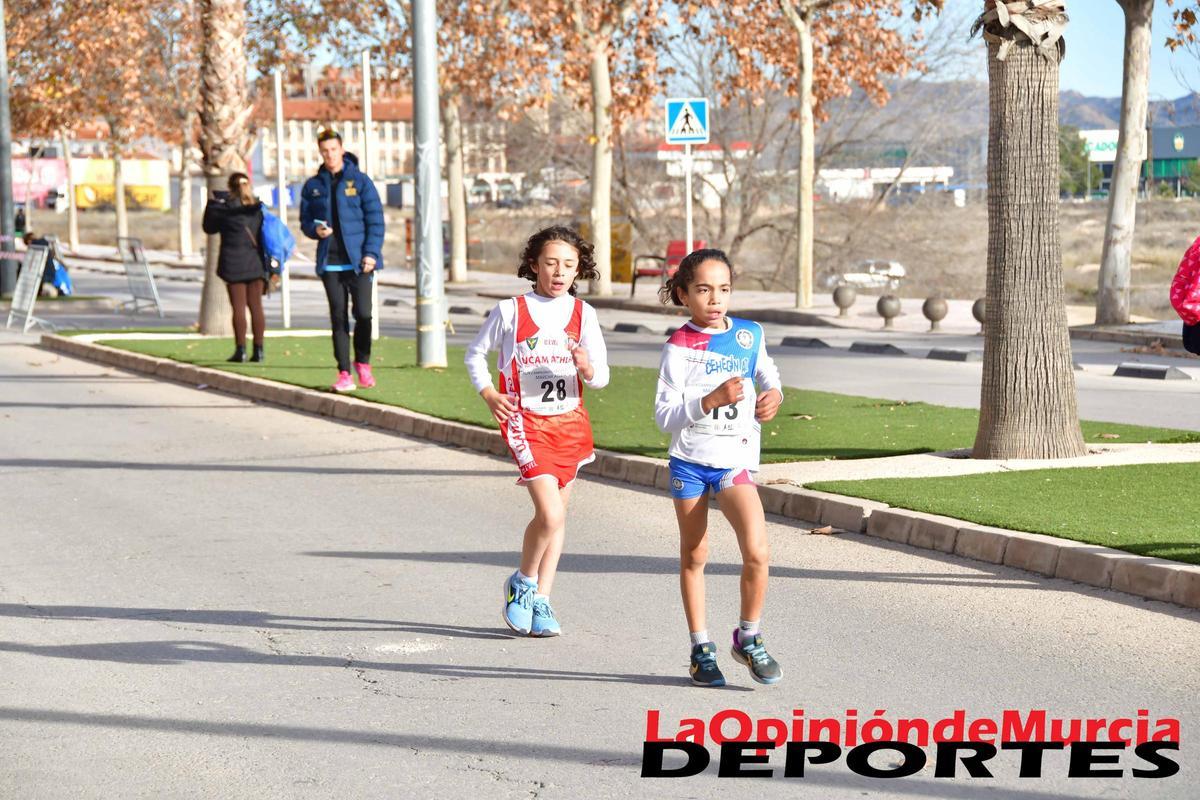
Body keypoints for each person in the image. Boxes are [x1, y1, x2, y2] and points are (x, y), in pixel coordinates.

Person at [464, 226, 609, 637]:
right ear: (534, 265)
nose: (559, 272)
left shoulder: (585, 315)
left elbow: (601, 377)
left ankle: (543, 599)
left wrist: (587, 369)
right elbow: (475, 354)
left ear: (579, 269)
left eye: (568, 264)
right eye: (551, 263)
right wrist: (489, 393)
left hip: (571, 423)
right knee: (550, 512)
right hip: (527, 423)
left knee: (558, 519)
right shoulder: (511, 310)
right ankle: (523, 583)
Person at [654, 248, 784, 688]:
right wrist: (708, 401)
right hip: (690, 463)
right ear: (683, 294)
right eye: (704, 290)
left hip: (734, 463)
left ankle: (748, 636)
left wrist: (774, 396)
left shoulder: (749, 335)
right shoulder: (678, 347)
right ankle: (700, 648)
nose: (715, 300)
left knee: (758, 551)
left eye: (723, 289)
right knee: (695, 554)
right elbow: (663, 417)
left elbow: (768, 375)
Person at [299, 128, 385, 392]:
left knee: (364, 315)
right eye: (324, 151)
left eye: (333, 149)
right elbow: (305, 222)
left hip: (360, 262)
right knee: (338, 318)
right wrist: (316, 230)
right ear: (320, 152)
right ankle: (344, 372)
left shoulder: (360, 181)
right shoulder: (313, 186)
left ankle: (363, 363)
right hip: (331, 263)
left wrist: (371, 253)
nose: (329, 155)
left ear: (342, 149)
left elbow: (376, 220)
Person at [202, 173, 273, 362]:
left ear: (230, 187)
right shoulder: (258, 208)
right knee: (256, 306)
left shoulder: (224, 209)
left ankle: (240, 350)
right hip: (255, 262)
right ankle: (259, 350)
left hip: (232, 263)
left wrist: (212, 203)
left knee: (239, 308)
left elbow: (209, 228)